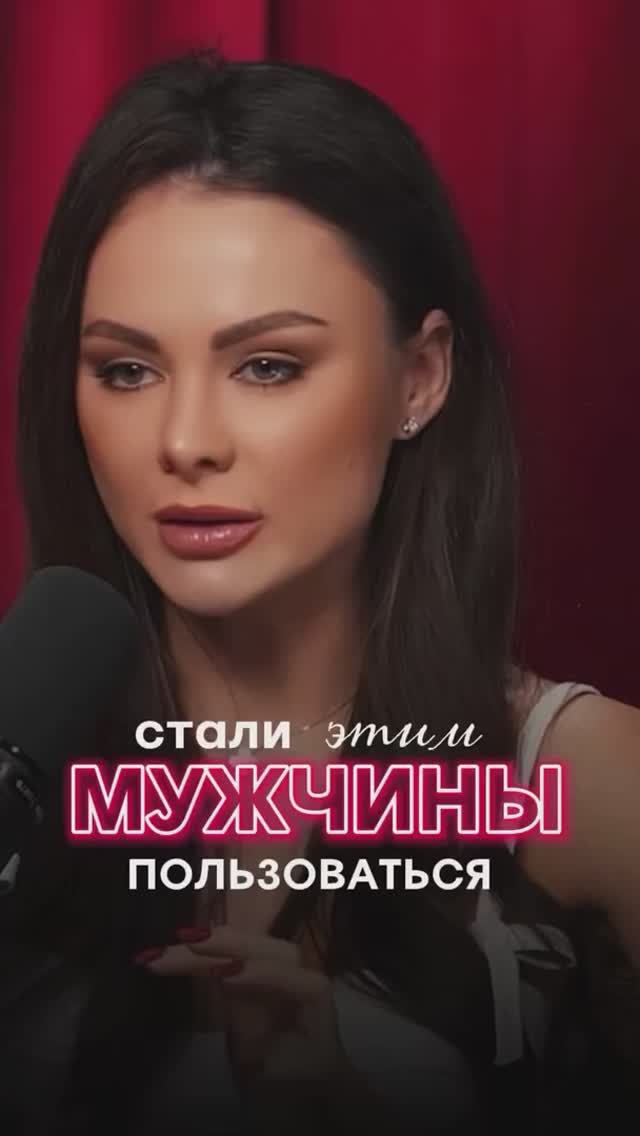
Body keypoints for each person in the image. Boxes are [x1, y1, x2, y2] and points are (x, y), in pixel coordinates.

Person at [1, 48, 638, 1135]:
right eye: (126, 370)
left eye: (268, 365)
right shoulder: (23, 771)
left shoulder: (586, 782)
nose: (185, 441)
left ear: (418, 377)